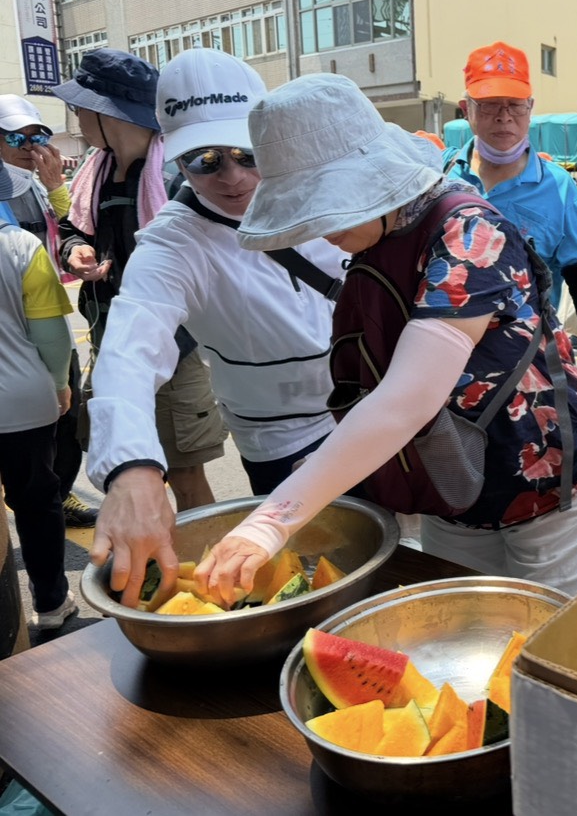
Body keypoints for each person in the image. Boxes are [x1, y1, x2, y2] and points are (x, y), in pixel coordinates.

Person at [193, 74, 577, 602]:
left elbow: (407, 400)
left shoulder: (469, 233)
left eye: (326, 204)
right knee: (464, 637)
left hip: (550, 482)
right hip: (454, 483)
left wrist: (271, 522)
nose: (318, 229)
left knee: (547, 649)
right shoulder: (382, 232)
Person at [84, 49, 346, 607]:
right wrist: (131, 467)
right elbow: (129, 350)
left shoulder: (323, 186)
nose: (232, 176)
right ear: (173, 159)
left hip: (374, 411)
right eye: (203, 160)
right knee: (315, 586)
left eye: (249, 153)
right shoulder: (173, 243)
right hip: (285, 443)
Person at [50, 48, 225, 513]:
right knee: (129, 472)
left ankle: (204, 574)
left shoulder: (176, 175)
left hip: (176, 349)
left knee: (185, 475)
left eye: (80, 107)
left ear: (107, 113)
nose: (78, 118)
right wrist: (76, 250)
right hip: (114, 342)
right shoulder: (97, 170)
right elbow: (73, 228)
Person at [443, 42, 577, 413]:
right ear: (467, 110)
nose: (504, 117)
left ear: (531, 109)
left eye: (515, 105)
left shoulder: (558, 187)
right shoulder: (441, 176)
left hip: (523, 365)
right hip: (443, 361)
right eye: (490, 104)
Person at [0, 95, 94, 527]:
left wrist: (56, 186)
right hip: (12, 324)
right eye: (15, 136)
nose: (29, 144)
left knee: (65, 413)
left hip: (49, 316)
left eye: (39, 135)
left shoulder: (37, 185)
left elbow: (72, 231)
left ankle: (59, 492)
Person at [0, 163, 77, 631]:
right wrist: (60, 384)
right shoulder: (20, 247)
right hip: (22, 402)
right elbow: (52, 336)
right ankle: (50, 604)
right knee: (35, 501)